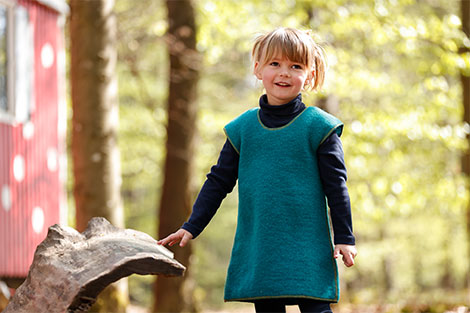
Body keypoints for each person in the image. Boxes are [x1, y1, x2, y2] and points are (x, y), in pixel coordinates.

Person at [158, 27, 357, 313]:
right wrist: (192, 226)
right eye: (275, 64)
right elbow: (218, 182)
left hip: (307, 246)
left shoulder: (319, 127)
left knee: (316, 308)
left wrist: (345, 237)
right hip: (261, 245)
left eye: (295, 66)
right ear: (258, 69)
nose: (284, 73)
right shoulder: (244, 129)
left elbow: (336, 186)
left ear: (309, 74)